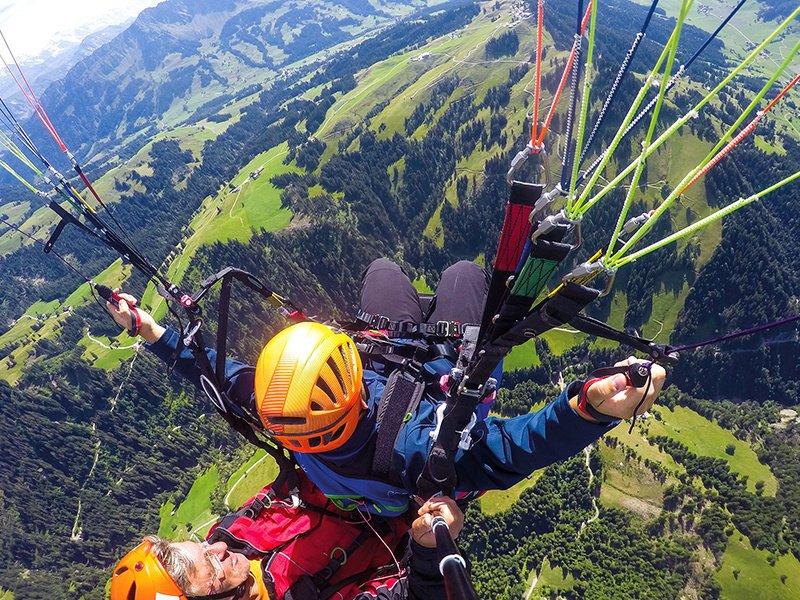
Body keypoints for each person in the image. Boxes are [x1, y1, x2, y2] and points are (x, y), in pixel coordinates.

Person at [106, 258, 666, 514]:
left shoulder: (279, 409)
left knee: (381, 273)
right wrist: (587, 411)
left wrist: (150, 330)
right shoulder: (418, 454)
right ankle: (453, 301)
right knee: (464, 277)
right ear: (354, 389)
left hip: (397, 361)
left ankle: (429, 310)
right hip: (447, 380)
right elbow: (513, 449)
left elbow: (214, 371)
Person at [110, 469, 465, 600]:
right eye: (213, 565)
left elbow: (292, 483)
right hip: (421, 516)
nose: (219, 546)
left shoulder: (231, 535)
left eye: (203, 545)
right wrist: (427, 546)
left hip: (372, 471)